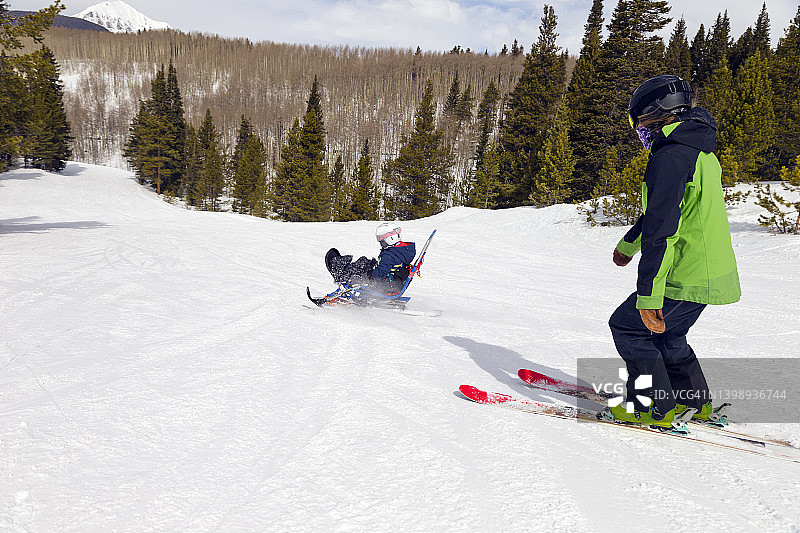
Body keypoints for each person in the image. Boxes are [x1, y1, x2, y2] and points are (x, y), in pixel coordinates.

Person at [607, 75, 741, 430]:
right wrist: (627, 245)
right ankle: (693, 403)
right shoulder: (699, 150)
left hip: (683, 271)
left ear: (657, 115)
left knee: (629, 327)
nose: (643, 136)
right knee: (669, 336)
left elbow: (663, 230)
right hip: (708, 271)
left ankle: (650, 406)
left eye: (643, 127)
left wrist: (649, 295)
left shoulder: (670, 157)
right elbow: (665, 212)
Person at [325, 223, 417, 295]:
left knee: (360, 269)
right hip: (393, 281)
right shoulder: (403, 250)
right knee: (363, 261)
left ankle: (340, 274)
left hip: (386, 285)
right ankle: (343, 269)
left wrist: (369, 273)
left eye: (382, 240)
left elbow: (379, 274)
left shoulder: (389, 255)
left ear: (390, 238)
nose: (380, 242)